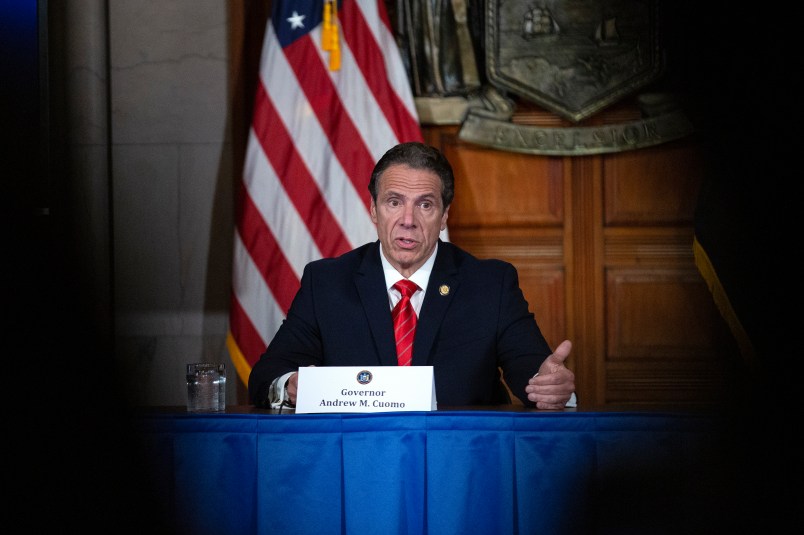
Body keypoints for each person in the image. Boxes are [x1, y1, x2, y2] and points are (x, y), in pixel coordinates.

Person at [248, 141, 576, 409]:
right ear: (374, 210)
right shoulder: (327, 282)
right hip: (358, 458)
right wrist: (289, 386)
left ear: (444, 216)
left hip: (460, 458)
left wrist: (550, 386)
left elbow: (533, 372)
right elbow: (267, 377)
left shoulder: (491, 284)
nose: (408, 219)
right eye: (394, 202)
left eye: (425, 205)